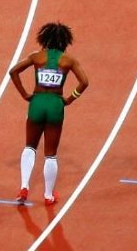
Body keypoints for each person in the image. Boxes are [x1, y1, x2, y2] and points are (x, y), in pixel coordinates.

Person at [8, 22, 89, 206]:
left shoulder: (37, 57)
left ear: (44, 39)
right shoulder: (68, 61)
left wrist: (24, 94)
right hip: (55, 105)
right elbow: (84, 82)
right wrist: (70, 98)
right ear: (65, 42)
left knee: (30, 147)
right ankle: (48, 195)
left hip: (36, 103)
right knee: (50, 154)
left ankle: (24, 187)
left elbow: (13, 72)